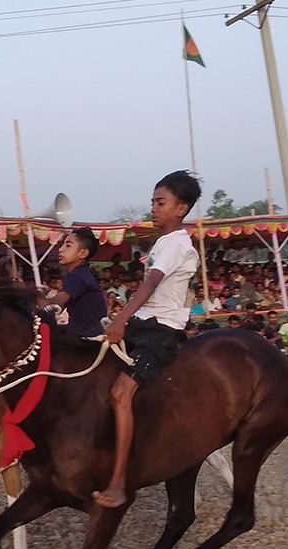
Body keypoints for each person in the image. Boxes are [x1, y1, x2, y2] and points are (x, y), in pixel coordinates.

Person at [96, 171, 202, 508]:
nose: (153, 208)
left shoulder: (177, 244)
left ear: (181, 208)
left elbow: (150, 285)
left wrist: (119, 320)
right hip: (144, 324)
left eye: (161, 203)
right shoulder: (162, 242)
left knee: (120, 392)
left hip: (162, 331)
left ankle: (118, 483)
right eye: (153, 202)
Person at [41, 227, 107, 336]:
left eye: (68, 245)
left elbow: (55, 305)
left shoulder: (78, 276)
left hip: (87, 337)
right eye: (63, 245)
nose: (61, 249)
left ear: (83, 253)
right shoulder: (80, 274)